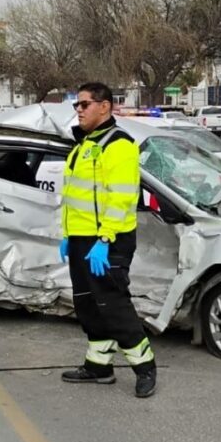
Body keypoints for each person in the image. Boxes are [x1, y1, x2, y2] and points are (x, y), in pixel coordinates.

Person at [59, 82, 156, 398]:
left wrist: (105, 238)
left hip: (107, 241)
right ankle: (98, 366)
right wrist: (67, 235)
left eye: (85, 104)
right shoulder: (84, 145)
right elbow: (73, 198)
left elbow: (122, 198)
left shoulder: (119, 145)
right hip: (81, 239)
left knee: (112, 304)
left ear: (105, 106)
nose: (79, 110)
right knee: (87, 304)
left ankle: (145, 367)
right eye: (77, 105)